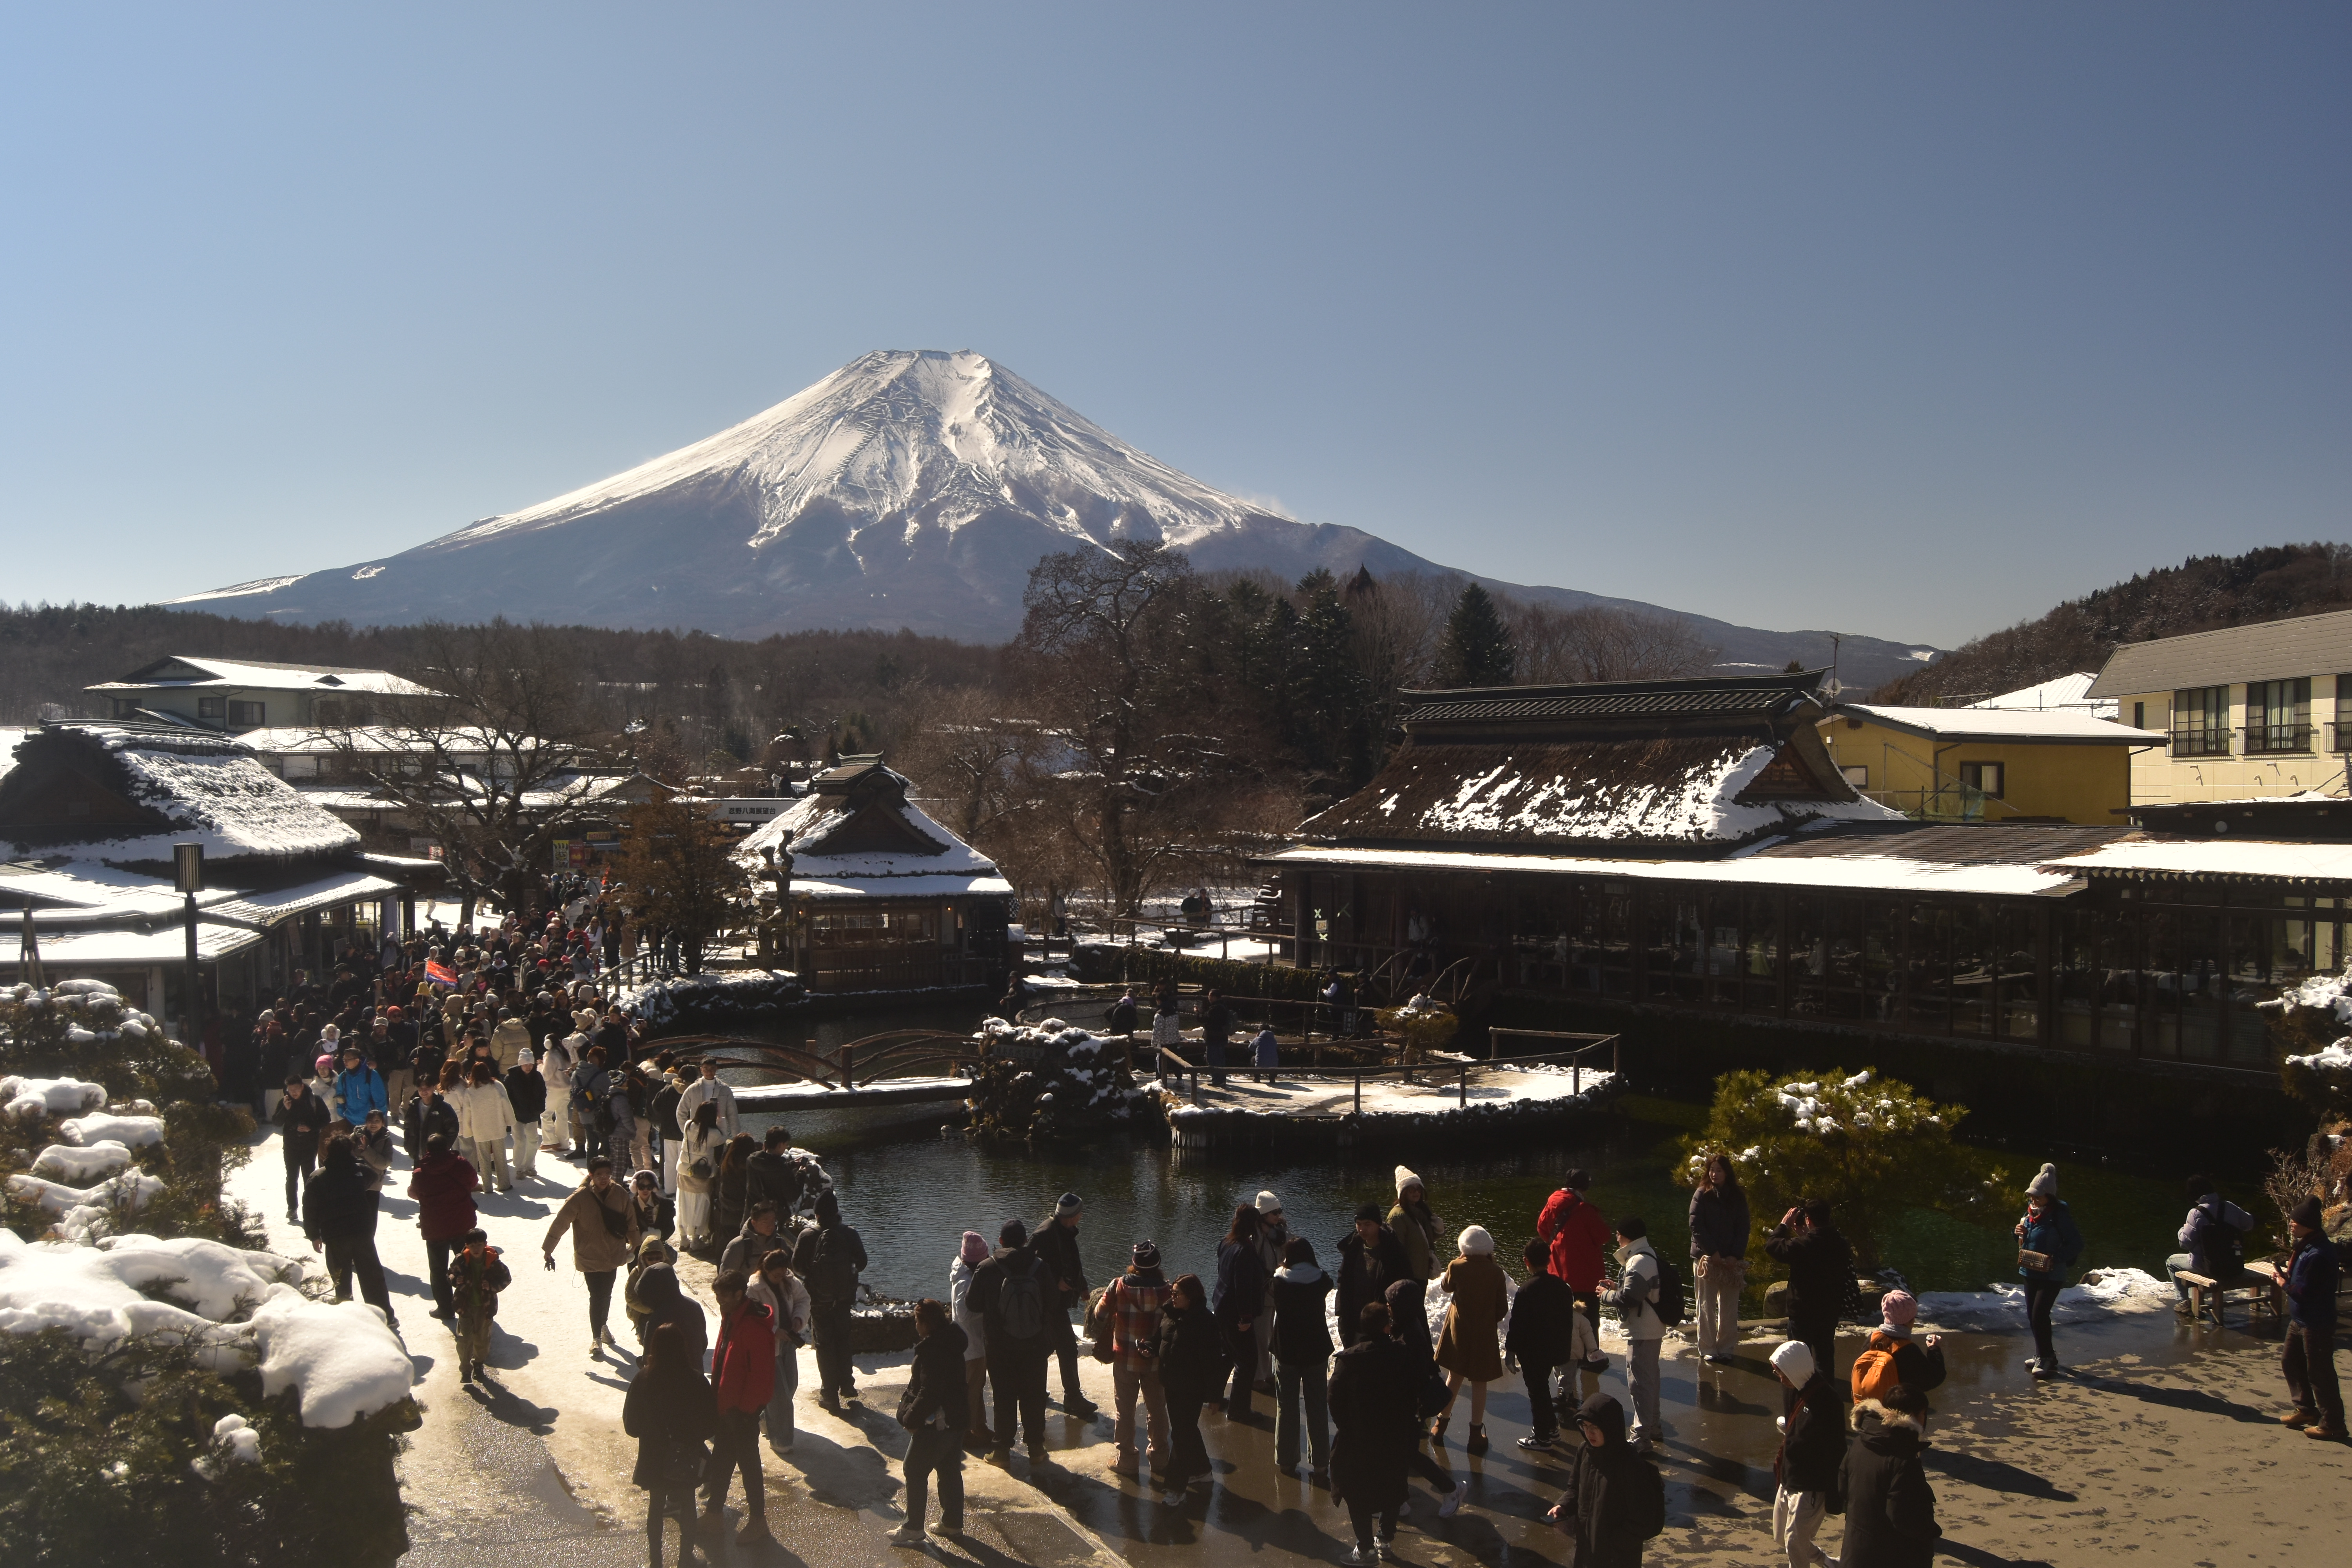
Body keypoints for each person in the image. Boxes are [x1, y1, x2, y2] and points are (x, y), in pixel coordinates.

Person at [1329, 1300, 1418, 1563]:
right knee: (1393, 1487)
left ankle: (1365, 1547)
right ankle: (1386, 1540)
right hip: (1394, 1436)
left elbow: (1334, 1398)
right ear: (1386, 1326)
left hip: (1359, 1438)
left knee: (1356, 1491)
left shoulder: (1350, 1360)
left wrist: (1347, 1427)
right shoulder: (1402, 1355)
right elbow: (1412, 1394)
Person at [625, 1322, 717, 1568]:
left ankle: (656, 1562)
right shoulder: (696, 1381)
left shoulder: (643, 1379)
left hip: (653, 1455)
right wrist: (692, 1438)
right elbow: (711, 1424)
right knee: (687, 1503)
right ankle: (685, 1559)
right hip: (686, 1455)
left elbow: (631, 1426)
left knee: (656, 1506)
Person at [1544, 1393, 1666, 1568]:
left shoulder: (1632, 1466)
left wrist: (1613, 1545)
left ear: (1610, 1427)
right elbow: (1574, 1489)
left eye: (1595, 1427)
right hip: (1584, 1551)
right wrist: (1563, 1506)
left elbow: (1644, 1522)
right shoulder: (1584, 1452)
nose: (1589, 1433)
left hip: (1616, 1559)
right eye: (1584, 1426)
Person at [699, 1269, 775, 1548]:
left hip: (741, 1412)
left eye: (723, 1298)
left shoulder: (753, 1327)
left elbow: (761, 1376)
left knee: (749, 1465)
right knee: (722, 1461)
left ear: (739, 1294)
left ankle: (758, 1522)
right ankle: (714, 1514)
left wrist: (744, 1411)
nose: (719, 1303)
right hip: (728, 1408)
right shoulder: (732, 1318)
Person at [968, 1218, 1054, 1465]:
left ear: (1002, 1241)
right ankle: (1037, 1449)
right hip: (1035, 1345)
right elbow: (1053, 1303)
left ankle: (1002, 1451)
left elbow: (972, 1304)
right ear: (1026, 1241)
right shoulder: (1040, 1267)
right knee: (1034, 1395)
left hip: (999, 1346)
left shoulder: (986, 1267)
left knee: (1004, 1396)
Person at [1385, 1277, 1467, 1517]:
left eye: (1391, 1304)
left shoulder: (1408, 1337)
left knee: (1404, 1453)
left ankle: (1450, 1489)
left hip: (1408, 1407)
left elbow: (1411, 1376)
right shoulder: (1409, 1326)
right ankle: (1401, 1499)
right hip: (1409, 1407)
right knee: (1403, 1453)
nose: (1387, 1308)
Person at [544, 1156, 642, 1355]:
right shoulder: (579, 1198)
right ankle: (597, 1337)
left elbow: (631, 1221)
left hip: (613, 1254)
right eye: (599, 1175)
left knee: (605, 1293)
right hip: (589, 1256)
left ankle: (601, 1325)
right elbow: (561, 1223)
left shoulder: (620, 1194)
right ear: (591, 1175)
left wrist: (635, 1244)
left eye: (607, 1174)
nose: (604, 1178)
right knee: (597, 1295)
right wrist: (548, 1249)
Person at [892, 1297, 969, 1547]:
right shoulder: (951, 1343)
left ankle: (913, 1527)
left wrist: (910, 1418)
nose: (915, 1325)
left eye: (917, 1320)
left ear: (927, 1324)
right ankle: (952, 1522)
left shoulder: (934, 1351)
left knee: (913, 1469)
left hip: (938, 1422)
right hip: (957, 1419)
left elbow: (929, 1392)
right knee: (948, 1469)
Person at [1840, 1382, 1942, 1566]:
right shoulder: (1904, 1461)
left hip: (1855, 1551)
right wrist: (1931, 1531)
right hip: (1890, 1557)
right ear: (1915, 1416)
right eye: (1923, 1414)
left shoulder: (1859, 1444)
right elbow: (1903, 1517)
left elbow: (1842, 1487)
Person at [301, 1133, 396, 1329]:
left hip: (335, 1235)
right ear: (351, 1151)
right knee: (372, 1276)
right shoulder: (359, 1172)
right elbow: (372, 1176)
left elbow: (310, 1208)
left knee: (341, 1278)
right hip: (362, 1231)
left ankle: (346, 1320)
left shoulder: (318, 1177)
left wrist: (314, 1235)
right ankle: (385, 1315)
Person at [1098, 1238, 1172, 1480]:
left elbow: (1099, 1314)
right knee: (1158, 1409)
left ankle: (1127, 1460)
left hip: (1125, 1358)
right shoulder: (1168, 1291)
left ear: (1134, 1264)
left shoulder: (1119, 1286)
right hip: (1155, 1361)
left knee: (1125, 1411)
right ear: (1158, 1265)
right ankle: (1160, 1458)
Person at [1153, 1272, 1227, 1506]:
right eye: (1172, 1293)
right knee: (1186, 1430)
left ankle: (1175, 1488)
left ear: (1192, 1296)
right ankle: (1203, 1471)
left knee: (1181, 1435)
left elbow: (1214, 1363)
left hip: (1191, 1389)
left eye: (1178, 1294)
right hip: (1171, 1385)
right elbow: (1160, 1340)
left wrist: (1215, 1397)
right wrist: (1148, 1347)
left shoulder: (1205, 1322)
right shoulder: (1170, 1315)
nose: (1173, 1297)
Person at [1433, 1225, 1507, 1454]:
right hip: (1483, 1335)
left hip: (1459, 1332)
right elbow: (1502, 1309)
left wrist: (1456, 1262)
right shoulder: (1496, 1272)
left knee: (1453, 1378)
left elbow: (1446, 1287)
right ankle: (1475, 1434)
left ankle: (1440, 1425)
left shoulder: (1457, 1266)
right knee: (1480, 1382)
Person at [1770, 1341, 1840, 1568]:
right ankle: (1825, 1561)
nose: (1779, 1376)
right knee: (1782, 1537)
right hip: (1789, 1476)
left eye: (1781, 1371)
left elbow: (1836, 1448)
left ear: (1795, 1368)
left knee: (1794, 1541)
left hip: (1810, 1484)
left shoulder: (1827, 1401)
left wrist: (1835, 1491)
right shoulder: (1793, 1388)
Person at [795, 1188, 867, 1410]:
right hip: (844, 1298)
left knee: (825, 1345)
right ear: (837, 1212)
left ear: (816, 1214)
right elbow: (863, 1263)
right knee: (843, 1340)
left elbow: (797, 1266)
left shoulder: (808, 1235)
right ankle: (847, 1385)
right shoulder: (849, 1233)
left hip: (819, 1301)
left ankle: (829, 1393)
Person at [1766, 1198, 1853, 1382]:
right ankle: (1827, 1393)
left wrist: (1784, 1225)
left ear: (1808, 1219)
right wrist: (1805, 1234)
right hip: (1829, 1309)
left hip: (1803, 1311)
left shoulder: (1802, 1245)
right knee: (1825, 1356)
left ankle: (1801, 1393)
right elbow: (1820, 1243)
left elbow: (1773, 1246)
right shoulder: (1841, 1244)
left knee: (1798, 1356)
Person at [1539, 1168, 1615, 1373]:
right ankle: (1591, 1357)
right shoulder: (1585, 1210)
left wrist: (1558, 1245)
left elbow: (1542, 1228)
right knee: (1589, 1319)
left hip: (1558, 1272)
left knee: (1565, 1316)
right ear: (1585, 1186)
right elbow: (1603, 1236)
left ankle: (1566, 1353)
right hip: (1585, 1274)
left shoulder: (1553, 1201)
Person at [1270, 1235, 1333, 1482]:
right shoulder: (1321, 1281)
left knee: (1286, 1406)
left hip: (1286, 1351)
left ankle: (1287, 1461)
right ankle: (1320, 1465)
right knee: (1317, 1407)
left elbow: (1272, 1279)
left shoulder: (1279, 1282)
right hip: (1315, 1350)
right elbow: (1326, 1277)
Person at [2281, 1194, 2345, 1439]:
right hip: (2300, 1319)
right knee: (2291, 1362)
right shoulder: (2307, 1245)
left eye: (2295, 1222)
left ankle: (2333, 1424)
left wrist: (2283, 1285)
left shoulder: (2318, 1253)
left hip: (2316, 1322)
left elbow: (2306, 1292)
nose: (2291, 1224)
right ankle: (2306, 1409)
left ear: (2307, 1224)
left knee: (2321, 1374)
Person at [2014, 1164, 2083, 1381]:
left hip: (2051, 1273)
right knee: (2032, 1316)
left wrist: (2057, 1258)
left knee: (2039, 1314)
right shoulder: (2030, 1213)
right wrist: (2017, 1232)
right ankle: (2045, 1355)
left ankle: (2045, 1357)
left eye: (2037, 1196)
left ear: (2049, 1197)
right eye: (2031, 1195)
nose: (2033, 1200)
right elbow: (2026, 1239)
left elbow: (2076, 1244)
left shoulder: (2059, 1216)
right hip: (2030, 1269)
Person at [1601, 1216, 1665, 1453]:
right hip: (1651, 1328)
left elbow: (1629, 1299)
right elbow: (1636, 1291)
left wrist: (1605, 1296)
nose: (1616, 1238)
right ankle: (1654, 1427)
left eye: (1618, 1234)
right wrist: (1617, 1288)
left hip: (1643, 1330)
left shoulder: (1637, 1261)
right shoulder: (1647, 1255)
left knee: (1639, 1384)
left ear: (1627, 1236)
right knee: (1649, 1381)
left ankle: (1641, 1438)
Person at [1507, 1238, 1576, 1451]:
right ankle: (1552, 1428)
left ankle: (1542, 1437)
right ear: (1548, 1260)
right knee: (1543, 1389)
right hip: (1556, 1350)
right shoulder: (1563, 1287)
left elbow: (1517, 1324)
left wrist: (1511, 1351)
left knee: (1537, 1392)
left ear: (1526, 1261)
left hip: (1533, 1353)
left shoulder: (1527, 1290)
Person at [1032, 1191, 1096, 1416]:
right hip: (1048, 1303)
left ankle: (1034, 1389)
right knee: (1067, 1347)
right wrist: (1054, 1282)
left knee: (1050, 1347)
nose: (1081, 1216)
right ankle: (1072, 1399)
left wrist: (1083, 1286)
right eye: (1080, 1213)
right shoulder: (1045, 1233)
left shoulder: (1064, 1231)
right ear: (1073, 1215)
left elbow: (1071, 1262)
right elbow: (1030, 1265)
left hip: (1056, 1302)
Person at [409, 1132, 480, 1321]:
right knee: (468, 1265)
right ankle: (471, 1303)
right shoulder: (462, 1165)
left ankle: (445, 1308)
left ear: (427, 1150)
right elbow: (473, 1182)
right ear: (448, 1147)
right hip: (462, 1224)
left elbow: (414, 1193)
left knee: (439, 1270)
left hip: (435, 1227)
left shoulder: (421, 1172)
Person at [1689, 1151, 1751, 1364]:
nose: (1714, 1174)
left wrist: (1735, 1255)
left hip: (1730, 1262)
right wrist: (1712, 1251)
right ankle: (1708, 1347)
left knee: (1729, 1307)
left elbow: (1743, 1228)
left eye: (1719, 1170)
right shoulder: (1701, 1194)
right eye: (1712, 1170)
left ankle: (1726, 1347)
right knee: (1706, 1306)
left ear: (1727, 1173)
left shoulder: (1737, 1196)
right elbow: (1696, 1226)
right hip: (1706, 1260)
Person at [748, 1249, 810, 1455]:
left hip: (788, 1341)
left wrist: (798, 1320)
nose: (779, 1278)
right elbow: (753, 1318)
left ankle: (767, 1420)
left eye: (783, 1273)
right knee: (780, 1395)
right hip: (768, 1345)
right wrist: (774, 1331)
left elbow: (804, 1300)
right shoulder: (754, 1289)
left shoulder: (789, 1281)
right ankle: (781, 1441)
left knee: (790, 1385)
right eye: (776, 1275)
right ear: (766, 1270)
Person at [2167, 1173, 2256, 1316]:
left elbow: (2185, 1243)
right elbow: (2249, 1224)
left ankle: (2184, 1301)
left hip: (2208, 1266)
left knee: (2171, 1262)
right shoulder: (2230, 1206)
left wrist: (2182, 1230)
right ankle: (2191, 1300)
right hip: (2234, 1265)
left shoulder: (2196, 1213)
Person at [1212, 1203, 1268, 1419]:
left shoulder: (1227, 1242)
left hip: (1222, 1308)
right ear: (1254, 1225)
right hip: (1237, 1315)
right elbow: (1242, 1286)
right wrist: (1246, 1318)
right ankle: (1239, 1410)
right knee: (1247, 1362)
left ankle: (1215, 1395)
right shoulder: (1245, 1250)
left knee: (1227, 1355)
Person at [1336, 1203, 1413, 1348]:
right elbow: (1342, 1279)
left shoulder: (1394, 1252)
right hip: (1353, 1320)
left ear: (1378, 1224)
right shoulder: (1353, 1248)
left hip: (1380, 1323)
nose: (1362, 1229)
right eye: (1358, 1224)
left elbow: (1402, 1287)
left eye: (1367, 1224)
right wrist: (1341, 1310)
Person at [1851, 1290, 1947, 1405]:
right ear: (1910, 1321)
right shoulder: (1908, 1350)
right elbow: (1934, 1378)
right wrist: (1934, 1349)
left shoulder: (1872, 1338)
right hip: (1894, 1412)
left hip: (1868, 1407)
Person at [448, 1226, 512, 1384]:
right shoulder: (461, 1260)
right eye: (472, 1246)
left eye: (479, 1245)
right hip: (464, 1306)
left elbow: (506, 1279)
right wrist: (455, 1280)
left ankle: (478, 1365)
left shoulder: (493, 1262)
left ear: (485, 1244)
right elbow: (450, 1273)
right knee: (464, 1339)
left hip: (485, 1308)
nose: (476, 1249)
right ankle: (465, 1370)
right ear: (467, 1246)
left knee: (482, 1339)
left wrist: (491, 1287)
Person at [951, 1231, 995, 1454]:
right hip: (971, 1347)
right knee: (971, 1389)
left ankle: (979, 1427)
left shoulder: (965, 1274)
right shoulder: (965, 1281)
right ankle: (966, 1432)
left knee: (977, 1388)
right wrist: (988, 1308)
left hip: (975, 1344)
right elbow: (964, 1315)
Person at [453, 1058, 517, 1195]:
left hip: (480, 1130)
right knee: (500, 1156)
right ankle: (504, 1184)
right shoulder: (497, 1086)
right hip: (497, 1127)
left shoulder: (471, 1091)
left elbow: (467, 1113)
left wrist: (468, 1131)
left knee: (483, 1158)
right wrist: (510, 1121)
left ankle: (488, 1186)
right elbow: (506, 1103)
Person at [273, 1076, 333, 1221]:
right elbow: (276, 1122)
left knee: (309, 1177)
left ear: (302, 1087)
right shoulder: (285, 1102)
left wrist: (311, 1128)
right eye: (290, 1090)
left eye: (296, 1089)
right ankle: (292, 1208)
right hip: (290, 1145)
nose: (293, 1092)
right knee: (292, 1177)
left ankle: (311, 1207)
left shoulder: (314, 1100)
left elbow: (326, 1119)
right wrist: (285, 1110)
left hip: (309, 1145)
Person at [1251, 1189, 1290, 1391]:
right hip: (1262, 1293)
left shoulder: (1279, 1231)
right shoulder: (1254, 1234)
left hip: (1276, 1292)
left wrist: (1275, 1233)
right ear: (1263, 1215)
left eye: (1279, 1211)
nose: (1278, 1215)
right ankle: (1258, 1377)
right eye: (1274, 1212)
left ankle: (1267, 1374)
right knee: (1260, 1337)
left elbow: (1290, 1245)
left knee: (1271, 1335)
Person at [675, 1101, 724, 1250]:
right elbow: (724, 1138)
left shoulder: (688, 1126)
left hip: (685, 1172)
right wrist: (722, 1120)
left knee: (684, 1205)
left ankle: (684, 1239)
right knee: (701, 1207)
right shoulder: (714, 1134)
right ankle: (696, 1240)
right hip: (703, 1176)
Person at [1389, 1167, 1444, 1283]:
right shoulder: (1398, 1216)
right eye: (1412, 1190)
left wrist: (1439, 1231)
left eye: (1419, 1189)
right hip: (1409, 1276)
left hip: (1422, 1273)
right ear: (1403, 1192)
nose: (1417, 1192)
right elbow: (1395, 1251)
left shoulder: (1421, 1211)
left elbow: (1422, 1239)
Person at [628, 1233, 681, 1345]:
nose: (655, 1261)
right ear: (643, 1257)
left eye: (658, 1258)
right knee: (647, 1342)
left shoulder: (667, 1271)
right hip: (644, 1312)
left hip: (665, 1311)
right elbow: (630, 1297)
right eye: (650, 1259)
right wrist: (649, 1310)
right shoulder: (637, 1273)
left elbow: (675, 1291)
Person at [505, 1049, 547, 1181]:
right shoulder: (512, 1077)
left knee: (533, 1141)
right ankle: (519, 1168)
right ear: (520, 1065)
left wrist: (540, 1108)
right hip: (516, 1115)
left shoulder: (538, 1077)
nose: (528, 1067)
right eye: (525, 1064)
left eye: (530, 1064)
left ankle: (530, 1166)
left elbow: (543, 1093)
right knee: (519, 1141)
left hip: (533, 1114)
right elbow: (507, 1097)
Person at [720, 1199, 791, 1276]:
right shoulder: (738, 1246)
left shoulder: (780, 1243)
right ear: (754, 1223)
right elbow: (725, 1281)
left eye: (773, 1221)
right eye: (765, 1222)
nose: (771, 1226)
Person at [678, 1056, 740, 1138]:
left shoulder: (725, 1089)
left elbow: (733, 1115)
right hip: (697, 1133)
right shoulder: (693, 1089)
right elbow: (681, 1111)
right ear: (701, 1070)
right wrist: (686, 1132)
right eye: (706, 1069)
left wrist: (736, 1137)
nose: (709, 1072)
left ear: (716, 1069)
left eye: (712, 1069)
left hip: (718, 1133)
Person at [713, 1133, 757, 1244]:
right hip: (741, 1211)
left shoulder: (726, 1163)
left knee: (726, 1240)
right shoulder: (749, 1167)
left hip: (726, 1208)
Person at [333, 1045, 389, 1130]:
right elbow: (340, 1097)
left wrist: (380, 1119)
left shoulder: (371, 1075)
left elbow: (380, 1100)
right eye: (344, 1059)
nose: (345, 1062)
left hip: (370, 1122)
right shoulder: (343, 1076)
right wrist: (342, 1114)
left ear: (357, 1061)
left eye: (348, 1060)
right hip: (349, 1120)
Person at [405, 1073, 460, 1157]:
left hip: (437, 1156)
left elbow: (453, 1130)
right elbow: (407, 1127)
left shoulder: (444, 1108)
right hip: (417, 1154)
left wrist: (443, 1149)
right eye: (421, 1088)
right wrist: (408, 1145)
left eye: (427, 1088)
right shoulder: (414, 1107)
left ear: (434, 1087)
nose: (424, 1091)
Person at [1199, 989, 1233, 1088]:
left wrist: (1198, 1014)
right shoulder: (1222, 1007)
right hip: (1221, 1038)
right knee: (1220, 1059)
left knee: (1213, 1059)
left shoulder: (1216, 1009)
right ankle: (1220, 1079)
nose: (1209, 998)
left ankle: (1218, 1079)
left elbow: (1206, 1019)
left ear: (1214, 997)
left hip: (1214, 1038)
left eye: (1210, 996)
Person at [1151, 996, 1184, 1080]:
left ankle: (1159, 1078)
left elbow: (1157, 1030)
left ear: (1159, 1001)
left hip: (1163, 1042)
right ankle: (1180, 1079)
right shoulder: (1175, 1013)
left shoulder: (1160, 1014)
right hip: (1173, 1041)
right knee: (1175, 1061)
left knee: (1160, 1061)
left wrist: (1154, 1043)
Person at [1252, 1020, 1280, 1085]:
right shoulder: (1274, 1040)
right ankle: (1272, 1078)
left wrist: (1256, 1038)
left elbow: (1251, 1048)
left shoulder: (1259, 1039)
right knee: (1275, 1059)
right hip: (1273, 1065)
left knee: (1253, 1059)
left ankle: (1257, 1078)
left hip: (1260, 1064)